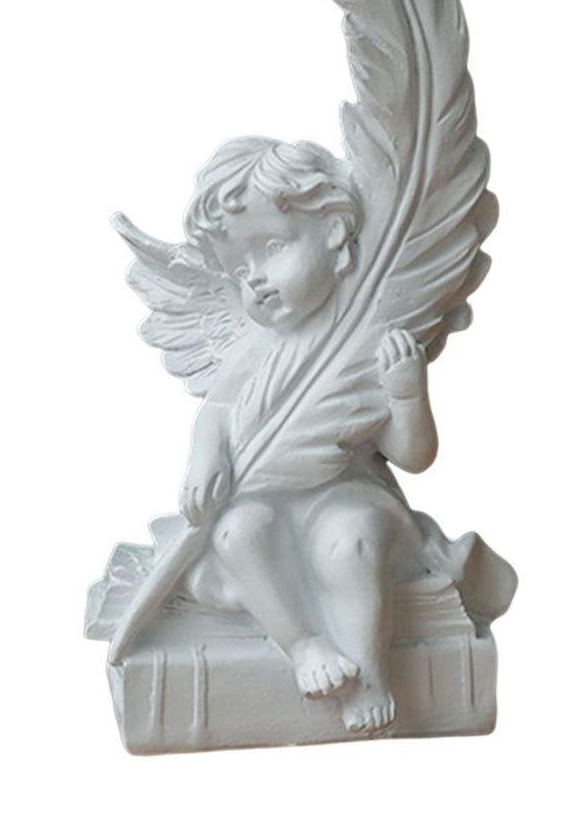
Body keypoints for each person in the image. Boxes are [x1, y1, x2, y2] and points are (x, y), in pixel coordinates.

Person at [178, 136, 438, 734]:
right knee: (237, 532)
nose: (256, 280)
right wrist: (205, 457)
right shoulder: (256, 348)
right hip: (264, 501)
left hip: (349, 496)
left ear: (335, 231)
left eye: (272, 247)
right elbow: (217, 411)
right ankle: (303, 645)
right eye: (238, 270)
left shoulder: (367, 340)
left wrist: (406, 394)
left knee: (350, 543)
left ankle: (369, 673)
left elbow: (412, 456)